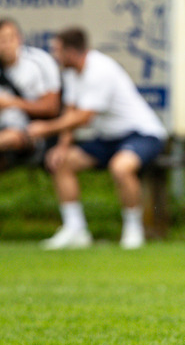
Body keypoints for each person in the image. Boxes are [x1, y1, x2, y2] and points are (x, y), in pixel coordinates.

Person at [27, 27, 168, 249]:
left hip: (142, 133)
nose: (55, 56)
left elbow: (83, 117)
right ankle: (75, 230)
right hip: (108, 138)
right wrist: (62, 147)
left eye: (57, 50)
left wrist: (45, 129)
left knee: (121, 167)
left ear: (70, 52)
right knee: (62, 163)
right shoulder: (70, 73)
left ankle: (134, 230)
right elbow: (71, 112)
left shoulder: (100, 69)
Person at [0, 18, 62, 168]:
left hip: (31, 133)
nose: (6, 45)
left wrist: (11, 103)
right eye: (1, 41)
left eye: (10, 39)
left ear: (19, 39)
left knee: (11, 137)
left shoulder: (38, 61)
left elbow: (51, 108)